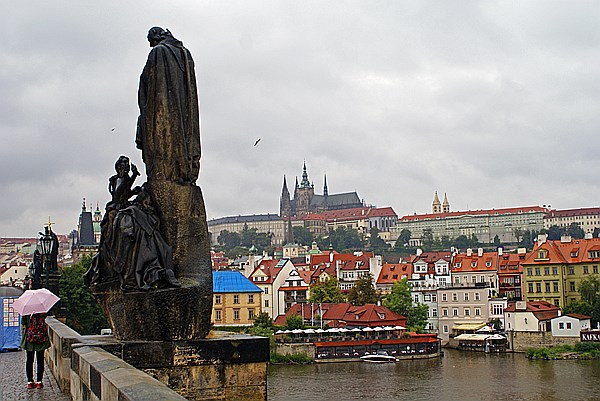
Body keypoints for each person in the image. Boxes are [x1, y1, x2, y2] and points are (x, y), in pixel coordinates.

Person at [136, 27, 201, 184]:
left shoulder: (158, 52)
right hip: (184, 115)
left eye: (151, 42)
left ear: (155, 38)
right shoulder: (186, 54)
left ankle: (165, 171)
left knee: (162, 141)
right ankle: (183, 168)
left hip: (161, 109)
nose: (151, 46)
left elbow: (147, 83)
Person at [21, 313, 50, 389]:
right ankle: (39, 382)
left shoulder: (26, 311)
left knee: (29, 360)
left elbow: (23, 323)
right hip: (41, 338)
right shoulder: (42, 311)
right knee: (40, 360)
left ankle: (30, 382)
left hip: (29, 339)